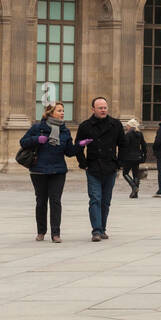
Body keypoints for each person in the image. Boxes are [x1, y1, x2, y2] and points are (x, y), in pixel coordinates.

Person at [20, 102, 75, 242]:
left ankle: (56, 234)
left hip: (58, 170)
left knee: (56, 201)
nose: (62, 113)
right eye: (59, 110)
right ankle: (41, 231)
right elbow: (23, 142)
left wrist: (79, 146)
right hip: (39, 170)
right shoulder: (38, 128)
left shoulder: (65, 130)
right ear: (50, 113)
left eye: (63, 110)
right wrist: (36, 139)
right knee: (41, 201)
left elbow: (69, 152)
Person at [75, 97, 126, 242]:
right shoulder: (85, 126)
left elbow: (123, 145)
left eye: (105, 107)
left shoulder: (115, 124)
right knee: (95, 199)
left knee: (106, 201)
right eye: (100, 108)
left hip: (110, 167)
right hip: (93, 167)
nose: (103, 110)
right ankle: (96, 231)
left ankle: (102, 228)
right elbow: (78, 145)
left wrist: (119, 163)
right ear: (93, 109)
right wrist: (83, 163)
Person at [120, 119, 147, 198]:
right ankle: (135, 194)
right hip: (137, 157)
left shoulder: (128, 134)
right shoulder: (140, 134)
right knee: (135, 174)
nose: (126, 127)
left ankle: (134, 187)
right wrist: (143, 154)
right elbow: (144, 145)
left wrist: (122, 157)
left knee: (125, 173)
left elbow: (125, 147)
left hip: (128, 157)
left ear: (130, 126)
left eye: (127, 126)